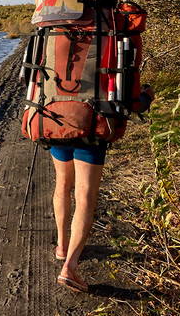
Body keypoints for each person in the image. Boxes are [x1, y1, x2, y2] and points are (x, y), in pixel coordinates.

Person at [53, 86, 155, 292]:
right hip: (92, 125)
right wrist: (146, 97)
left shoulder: (51, 50)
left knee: (62, 184)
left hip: (56, 120)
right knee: (85, 196)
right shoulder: (109, 50)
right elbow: (128, 99)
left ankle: (62, 246)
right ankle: (69, 268)